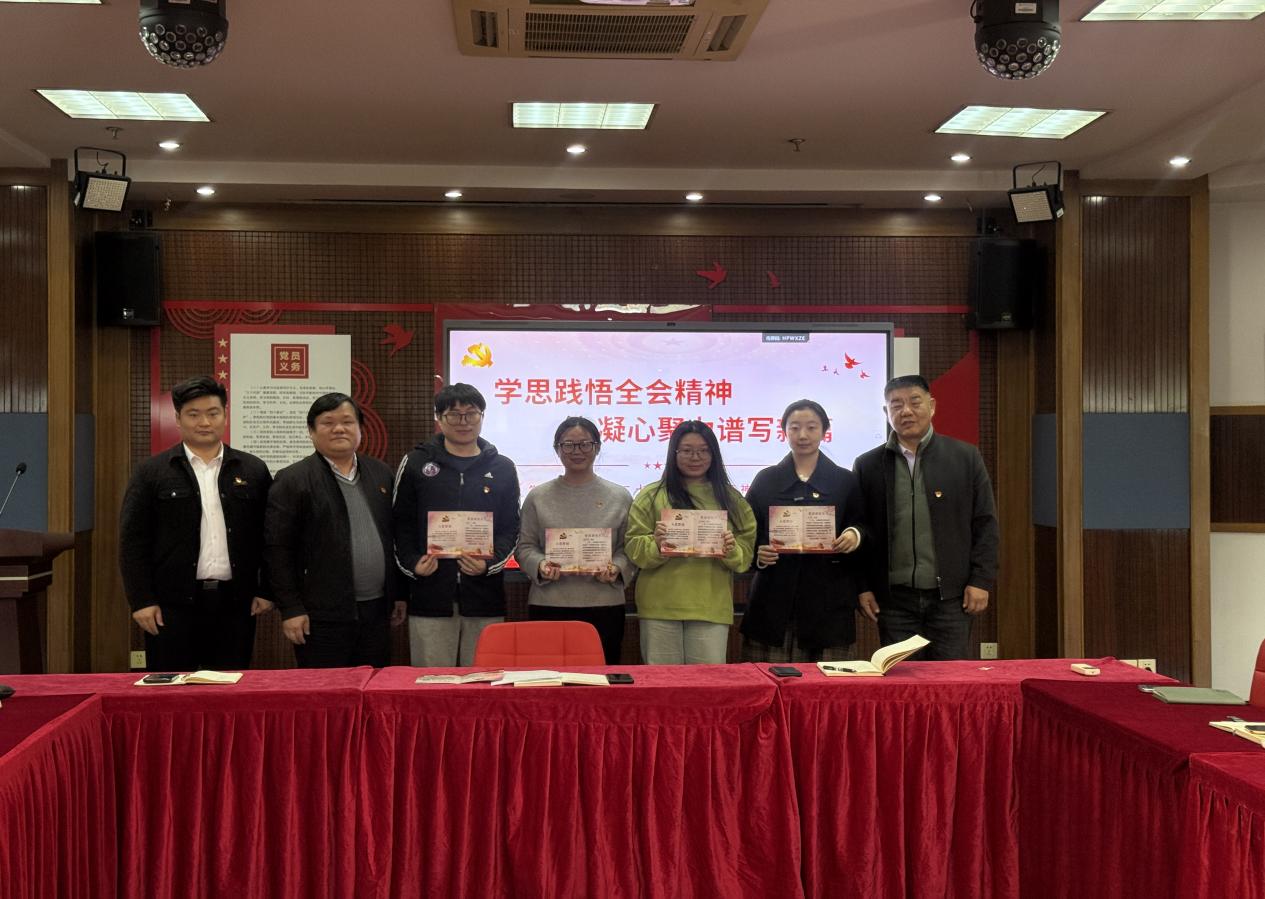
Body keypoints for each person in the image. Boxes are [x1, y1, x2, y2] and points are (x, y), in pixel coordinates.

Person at [119, 375, 272, 671]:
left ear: (225, 415)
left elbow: (269, 536)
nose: (204, 422)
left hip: (235, 603)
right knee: (172, 687)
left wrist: (266, 590)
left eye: (213, 413)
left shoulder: (252, 469)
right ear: (178, 419)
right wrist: (141, 600)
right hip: (170, 606)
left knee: (229, 685)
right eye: (193, 414)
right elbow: (133, 541)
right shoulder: (152, 472)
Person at [852, 375, 999, 661]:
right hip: (894, 601)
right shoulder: (868, 465)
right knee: (902, 680)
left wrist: (981, 580)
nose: (906, 411)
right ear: (886, 412)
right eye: (896, 405)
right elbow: (861, 529)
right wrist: (863, 587)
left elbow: (985, 523)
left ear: (931, 406)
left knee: (950, 679)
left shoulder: (965, 457)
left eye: (914, 402)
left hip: (952, 598)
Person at [264, 393, 406, 667]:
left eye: (347, 422)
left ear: (360, 429)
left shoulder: (380, 473)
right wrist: (290, 608)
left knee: (373, 684)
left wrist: (398, 594)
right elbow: (277, 549)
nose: (339, 429)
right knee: (327, 688)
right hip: (321, 615)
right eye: (328, 422)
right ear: (311, 431)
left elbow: (394, 537)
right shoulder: (292, 479)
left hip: (378, 610)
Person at [393, 383, 520, 667]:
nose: (464, 422)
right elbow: (400, 525)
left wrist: (489, 564)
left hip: (485, 597)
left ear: (482, 416)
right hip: (430, 596)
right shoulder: (415, 463)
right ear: (439, 418)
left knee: (483, 681)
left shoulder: (502, 467)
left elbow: (511, 528)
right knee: (432, 683)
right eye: (453, 414)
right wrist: (414, 564)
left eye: (471, 413)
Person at [742, 399, 867, 662]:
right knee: (769, 681)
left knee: (826, 684)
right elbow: (746, 529)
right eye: (795, 427)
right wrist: (758, 552)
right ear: (784, 431)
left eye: (811, 427)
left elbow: (864, 523)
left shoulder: (844, 480)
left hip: (829, 598)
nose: (802, 435)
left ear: (824, 431)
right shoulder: (766, 479)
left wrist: (854, 535)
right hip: (773, 598)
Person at [625, 420, 756, 664]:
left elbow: (746, 553)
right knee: (662, 682)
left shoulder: (731, 499)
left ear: (713, 455)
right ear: (674, 453)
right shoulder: (651, 495)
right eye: (686, 450)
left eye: (704, 450)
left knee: (707, 683)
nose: (695, 457)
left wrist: (731, 549)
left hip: (710, 606)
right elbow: (633, 548)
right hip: (659, 606)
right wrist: (656, 544)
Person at [515, 417, 636, 664]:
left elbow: (628, 548)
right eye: (568, 445)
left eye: (585, 444)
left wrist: (617, 567)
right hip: (550, 603)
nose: (577, 451)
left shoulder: (620, 496)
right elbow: (525, 546)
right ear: (557, 449)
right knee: (548, 677)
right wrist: (540, 565)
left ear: (597, 448)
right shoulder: (538, 496)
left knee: (601, 677)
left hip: (604, 604)